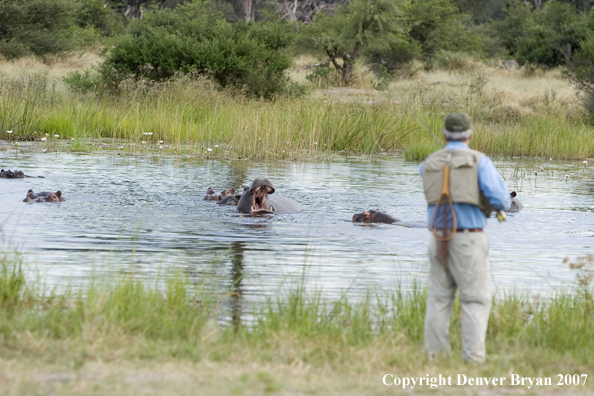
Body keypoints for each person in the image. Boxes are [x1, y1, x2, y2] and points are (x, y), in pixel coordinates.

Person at [419, 112, 510, 363]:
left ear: (444, 135)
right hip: (470, 239)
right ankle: (472, 360)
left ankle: (434, 359)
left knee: (438, 299)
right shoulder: (480, 161)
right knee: (474, 300)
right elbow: (503, 200)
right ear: (470, 134)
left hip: (437, 238)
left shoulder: (427, 163)